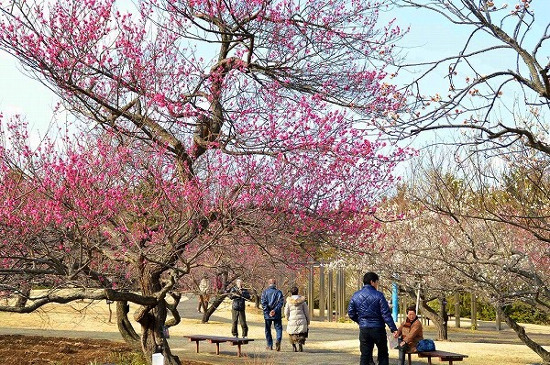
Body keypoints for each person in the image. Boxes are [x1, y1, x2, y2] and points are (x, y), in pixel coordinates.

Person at [348, 272, 398, 365]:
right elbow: (386, 314)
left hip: (364, 329)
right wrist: (393, 328)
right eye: (376, 282)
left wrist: (360, 321)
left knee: (365, 355)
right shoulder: (379, 295)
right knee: (383, 354)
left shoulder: (356, 295)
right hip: (378, 328)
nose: (377, 284)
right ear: (372, 282)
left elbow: (351, 313)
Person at [261, 278, 284, 351]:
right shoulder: (279, 292)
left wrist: (268, 311)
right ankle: (278, 340)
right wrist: (274, 310)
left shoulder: (265, 292)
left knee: (267, 330)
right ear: (275, 284)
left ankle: (269, 345)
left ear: (269, 283)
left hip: (267, 315)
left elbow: (263, 303)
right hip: (276, 314)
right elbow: (281, 303)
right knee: (278, 328)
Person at [284, 286, 310, 352]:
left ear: (291, 293)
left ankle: (294, 346)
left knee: (291, 334)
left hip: (292, 319)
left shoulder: (288, 302)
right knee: (302, 333)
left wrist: (287, 318)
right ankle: (300, 344)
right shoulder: (303, 302)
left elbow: (286, 312)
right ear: (298, 292)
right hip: (302, 319)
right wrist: (308, 320)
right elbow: (306, 312)